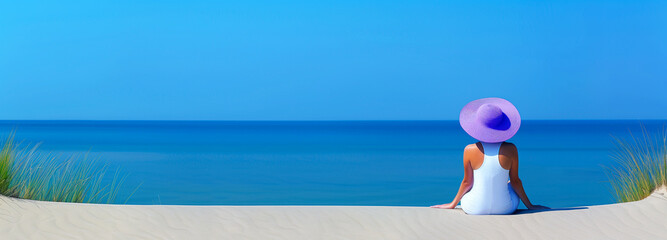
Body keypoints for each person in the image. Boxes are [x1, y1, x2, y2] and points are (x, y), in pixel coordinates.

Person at [431, 97, 548, 214]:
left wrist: (452, 204)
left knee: (471, 186)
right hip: (505, 209)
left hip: (474, 209)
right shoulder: (511, 149)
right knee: (510, 184)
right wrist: (530, 206)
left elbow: (467, 182)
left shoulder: (469, 150)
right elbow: (515, 181)